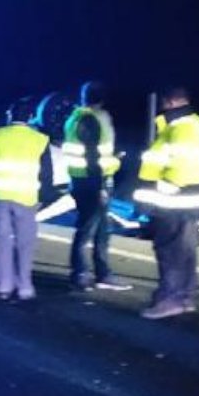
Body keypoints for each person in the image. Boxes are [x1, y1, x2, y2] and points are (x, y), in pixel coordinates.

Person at [133, 87, 199, 319]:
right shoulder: (192, 124)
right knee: (184, 250)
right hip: (188, 201)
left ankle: (170, 299)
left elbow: (180, 164)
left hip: (176, 202)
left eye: (165, 103)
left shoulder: (181, 127)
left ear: (171, 102)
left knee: (170, 251)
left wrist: (165, 187)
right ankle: (184, 297)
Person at [0, 97, 55, 301]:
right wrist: (44, 197)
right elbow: (46, 174)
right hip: (27, 198)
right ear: (30, 117)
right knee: (25, 243)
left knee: (0, 241)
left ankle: (3, 285)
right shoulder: (40, 140)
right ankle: (25, 287)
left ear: (9, 116)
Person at [62, 82, 131, 292]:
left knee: (100, 229)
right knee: (88, 229)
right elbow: (93, 155)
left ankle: (102, 273)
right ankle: (81, 273)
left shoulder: (75, 117)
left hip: (81, 179)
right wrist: (101, 183)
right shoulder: (93, 118)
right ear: (102, 99)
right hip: (94, 181)